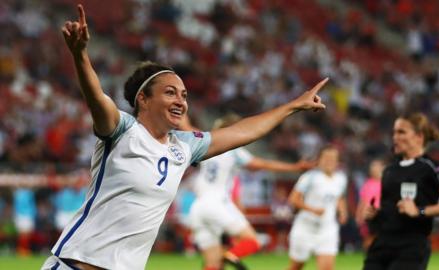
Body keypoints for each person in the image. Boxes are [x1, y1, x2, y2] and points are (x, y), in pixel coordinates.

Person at [41, 4, 329, 270]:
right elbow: (96, 98)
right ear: (143, 98)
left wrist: (293, 106)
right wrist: (80, 56)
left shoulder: (184, 147)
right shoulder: (121, 130)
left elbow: (242, 131)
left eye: (184, 95)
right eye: (170, 92)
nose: (181, 100)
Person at [187, 113, 313, 270]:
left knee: (212, 265)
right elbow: (261, 164)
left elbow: (186, 128)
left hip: (198, 207)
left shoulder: (206, 144)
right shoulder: (232, 149)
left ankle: (224, 258)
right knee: (252, 241)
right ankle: (229, 256)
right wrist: (293, 167)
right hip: (217, 203)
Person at [362, 112, 439, 270]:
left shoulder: (436, 168)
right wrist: (375, 214)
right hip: (381, 244)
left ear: (419, 136)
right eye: (394, 132)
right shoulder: (389, 170)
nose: (395, 137)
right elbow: (389, 208)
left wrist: (420, 210)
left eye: (401, 132)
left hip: (412, 246)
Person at [287, 145, 348, 270]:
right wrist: (312, 209)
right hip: (305, 227)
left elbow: (339, 197)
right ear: (319, 160)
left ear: (337, 162)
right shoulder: (309, 177)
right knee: (296, 267)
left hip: (327, 228)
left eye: (332, 159)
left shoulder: (341, 178)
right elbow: (293, 199)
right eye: (326, 158)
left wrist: (342, 212)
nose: (329, 161)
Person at [355, 159, 384, 250]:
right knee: (368, 240)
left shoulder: (386, 183)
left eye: (376, 166)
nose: (374, 169)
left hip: (380, 215)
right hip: (367, 216)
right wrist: (358, 215)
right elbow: (362, 201)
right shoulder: (367, 183)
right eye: (372, 167)